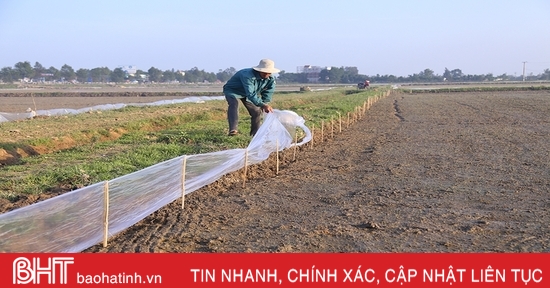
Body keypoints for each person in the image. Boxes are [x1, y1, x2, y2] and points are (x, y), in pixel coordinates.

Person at [223, 59, 280, 136]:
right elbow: (251, 93)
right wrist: (262, 105)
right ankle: (233, 130)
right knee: (234, 104)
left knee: (256, 111)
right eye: (264, 73)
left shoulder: (270, 79)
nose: (266, 75)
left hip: (247, 94)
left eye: (268, 73)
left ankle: (255, 133)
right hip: (233, 90)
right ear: (259, 70)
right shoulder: (247, 75)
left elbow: (268, 92)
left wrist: (264, 103)